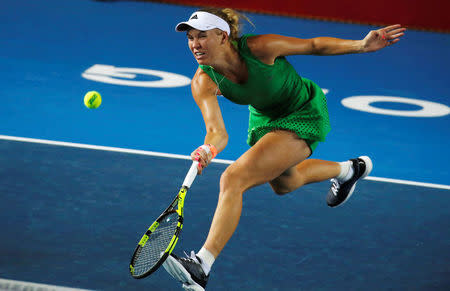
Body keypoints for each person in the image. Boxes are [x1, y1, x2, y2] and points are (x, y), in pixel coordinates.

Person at [163, 8, 406, 290]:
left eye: (202, 36)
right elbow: (217, 133)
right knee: (285, 183)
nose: (194, 44)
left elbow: (313, 45)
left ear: (222, 36)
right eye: (191, 38)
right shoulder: (203, 81)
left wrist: (362, 45)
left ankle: (201, 265)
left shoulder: (260, 48)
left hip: (302, 111)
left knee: (233, 179)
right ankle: (350, 169)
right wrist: (208, 149)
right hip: (266, 119)